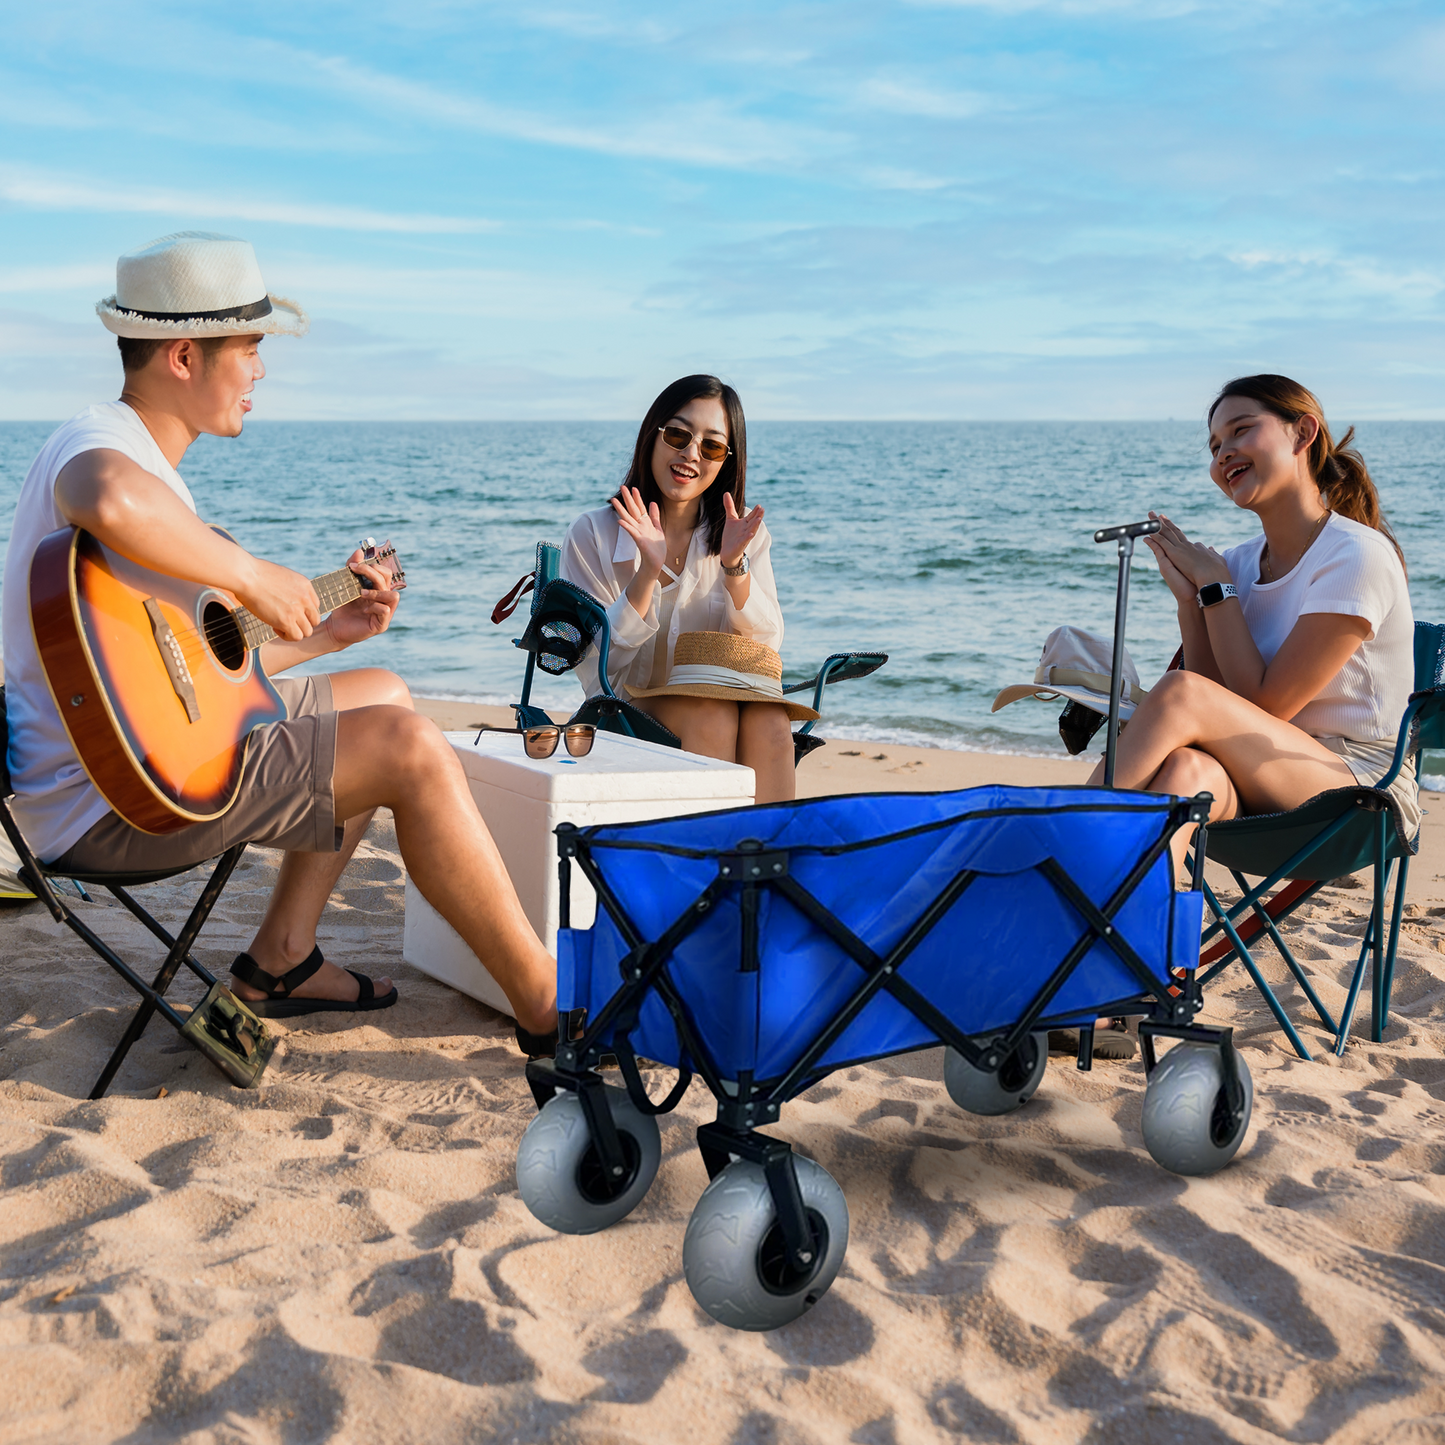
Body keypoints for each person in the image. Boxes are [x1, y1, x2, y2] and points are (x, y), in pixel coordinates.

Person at [2, 232, 557, 1051]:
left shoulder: (154, 471)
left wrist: (328, 632)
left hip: (128, 758)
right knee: (405, 746)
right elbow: (105, 499)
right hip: (116, 798)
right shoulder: (105, 447)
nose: (261, 370)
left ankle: (282, 956)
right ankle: (550, 1011)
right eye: (252, 349)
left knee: (384, 692)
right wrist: (254, 575)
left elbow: (191, 677)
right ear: (185, 356)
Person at [1096, 373, 1418, 860]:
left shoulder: (1355, 555)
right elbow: (1212, 702)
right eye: (1214, 445)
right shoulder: (1239, 564)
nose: (1223, 452)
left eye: (1241, 430)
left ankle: (1056, 850)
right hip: (1258, 771)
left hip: (1361, 791)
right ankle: (1123, 921)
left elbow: (1265, 707)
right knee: (1186, 769)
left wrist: (1217, 591)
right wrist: (1191, 601)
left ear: (1303, 433)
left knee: (1181, 694)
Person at [559, 374, 800, 804]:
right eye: (678, 435)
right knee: (712, 712)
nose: (691, 454)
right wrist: (646, 572)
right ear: (653, 434)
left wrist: (733, 566)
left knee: (771, 719)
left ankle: (766, 859)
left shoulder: (741, 535)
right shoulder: (593, 533)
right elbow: (596, 663)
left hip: (723, 701)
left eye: (711, 446)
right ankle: (700, 858)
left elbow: (765, 648)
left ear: (727, 459)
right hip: (622, 710)